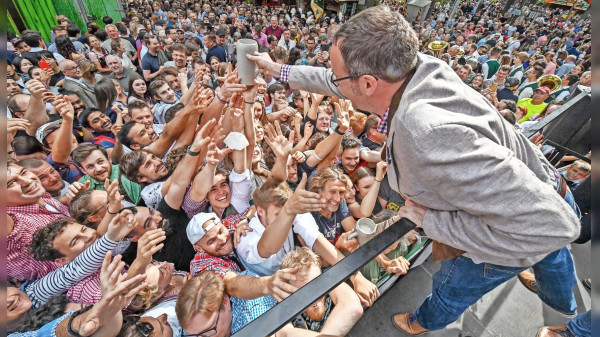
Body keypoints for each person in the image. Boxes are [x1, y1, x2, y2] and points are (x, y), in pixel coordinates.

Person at [247, 5, 580, 334]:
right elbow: (339, 83)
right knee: (552, 259)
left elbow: (555, 228)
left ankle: (423, 322)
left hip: (521, 225)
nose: (333, 81)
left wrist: (433, 221)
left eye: (338, 74)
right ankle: (564, 303)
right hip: (544, 187)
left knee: (454, 286)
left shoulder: (425, 134)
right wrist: (278, 70)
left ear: (366, 84)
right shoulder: (415, 69)